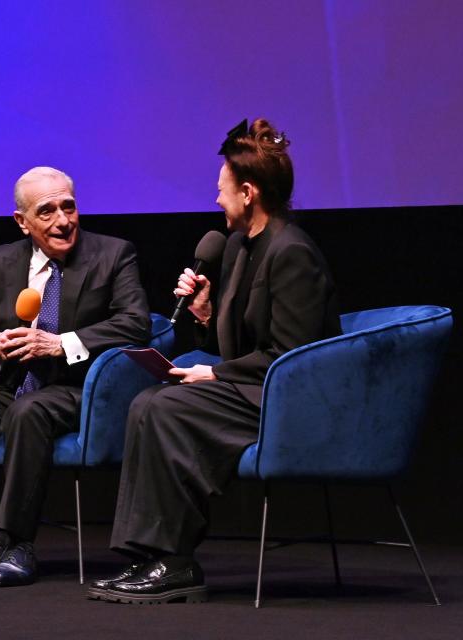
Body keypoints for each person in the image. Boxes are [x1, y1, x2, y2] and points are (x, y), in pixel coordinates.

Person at [89, 119, 340, 604]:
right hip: (257, 387)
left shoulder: (292, 253)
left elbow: (291, 354)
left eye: (222, 189)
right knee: (149, 401)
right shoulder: (242, 247)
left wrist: (215, 373)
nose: (216, 198)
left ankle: (177, 560)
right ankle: (153, 553)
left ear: (248, 192)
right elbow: (244, 343)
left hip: (292, 397)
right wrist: (205, 312)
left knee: (167, 408)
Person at [0, 166, 150, 587]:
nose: (63, 220)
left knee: (28, 412)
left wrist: (62, 343)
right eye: (47, 211)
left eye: (68, 207)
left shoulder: (113, 255)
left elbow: (136, 324)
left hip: (78, 390)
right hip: (12, 383)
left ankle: (18, 542)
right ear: (22, 222)